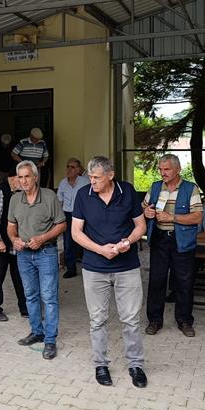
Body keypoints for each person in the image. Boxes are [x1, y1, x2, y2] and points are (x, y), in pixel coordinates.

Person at [71, 156, 147, 388]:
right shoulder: (83, 195)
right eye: (90, 177)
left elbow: (140, 225)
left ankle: (136, 365)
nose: (92, 181)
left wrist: (127, 242)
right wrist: (100, 250)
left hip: (127, 266)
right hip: (94, 267)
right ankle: (101, 365)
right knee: (97, 320)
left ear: (110, 175)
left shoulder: (127, 191)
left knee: (131, 319)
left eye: (96, 177)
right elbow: (76, 232)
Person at [7, 160, 66, 360]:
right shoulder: (15, 199)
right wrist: (13, 239)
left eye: (27, 176)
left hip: (46, 252)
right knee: (30, 295)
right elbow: (11, 225)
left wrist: (42, 238)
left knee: (48, 297)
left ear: (35, 177)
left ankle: (50, 339)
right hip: (23, 254)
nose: (23, 181)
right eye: (20, 177)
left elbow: (62, 225)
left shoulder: (49, 196)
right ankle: (36, 332)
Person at [143, 154, 203, 337]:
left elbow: (197, 217)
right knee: (156, 280)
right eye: (160, 169)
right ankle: (154, 320)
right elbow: (143, 208)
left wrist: (172, 218)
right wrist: (147, 212)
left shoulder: (190, 188)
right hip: (160, 239)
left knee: (184, 282)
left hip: (182, 240)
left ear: (178, 169)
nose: (163, 173)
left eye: (167, 169)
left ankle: (184, 321)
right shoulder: (155, 187)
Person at [0, 169, 28, 321]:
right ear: (12, 178)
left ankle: (25, 308)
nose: (23, 181)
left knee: (21, 276)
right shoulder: (0, 192)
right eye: (20, 177)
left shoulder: (20, 193)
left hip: (16, 243)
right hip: (1, 244)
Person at [57, 158, 89, 278]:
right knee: (68, 242)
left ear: (79, 170)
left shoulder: (85, 182)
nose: (69, 169)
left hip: (82, 214)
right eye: (68, 166)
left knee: (85, 240)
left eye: (73, 167)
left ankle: (88, 267)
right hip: (67, 214)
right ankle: (71, 269)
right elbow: (59, 201)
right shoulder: (63, 183)